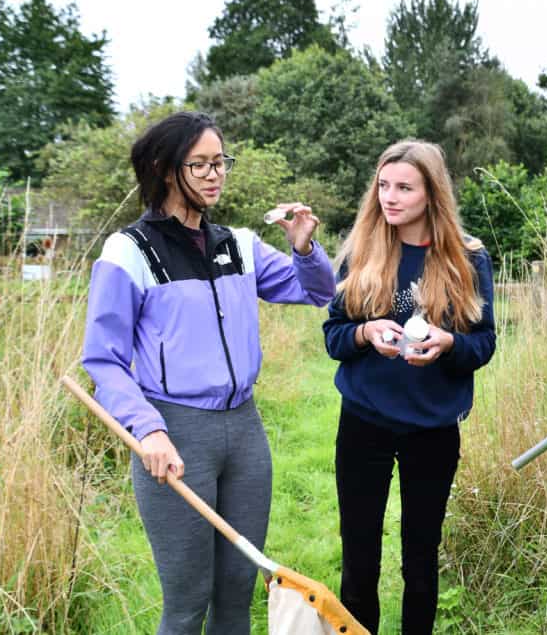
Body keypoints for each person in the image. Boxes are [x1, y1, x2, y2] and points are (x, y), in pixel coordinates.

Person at [81, 111, 335, 634]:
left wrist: (305, 247)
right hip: (174, 435)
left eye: (221, 163)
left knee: (237, 594)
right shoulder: (128, 254)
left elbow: (316, 291)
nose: (215, 175)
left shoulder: (238, 245)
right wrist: (146, 428)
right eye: (200, 165)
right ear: (165, 169)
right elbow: (104, 359)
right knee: (187, 602)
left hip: (244, 432)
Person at [323, 139, 496, 634]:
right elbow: (334, 335)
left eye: (404, 187)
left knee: (421, 560)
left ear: (432, 194)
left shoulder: (467, 258)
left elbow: (484, 343)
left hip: (433, 428)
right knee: (359, 557)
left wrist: (448, 344)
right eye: (383, 185)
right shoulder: (362, 251)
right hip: (364, 423)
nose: (389, 197)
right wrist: (364, 332)